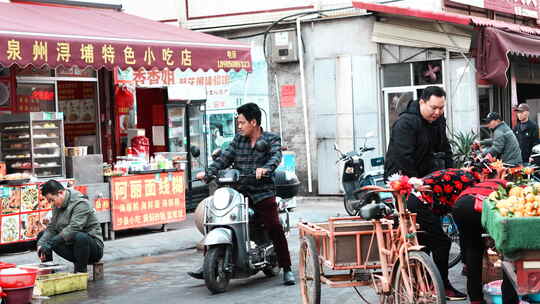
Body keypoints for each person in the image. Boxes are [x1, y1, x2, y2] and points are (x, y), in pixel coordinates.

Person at [187, 103, 295, 286]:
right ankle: (209, 262)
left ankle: (287, 268)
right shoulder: (238, 140)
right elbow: (224, 158)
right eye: (239, 122)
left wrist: (266, 169)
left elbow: (276, 157)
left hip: (262, 192)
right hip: (239, 190)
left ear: (253, 122)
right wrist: (208, 172)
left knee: (274, 226)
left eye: (242, 122)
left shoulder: (271, 139)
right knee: (215, 217)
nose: (239, 126)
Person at [406, 168, 479, 301]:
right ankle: (441, 286)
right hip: (420, 202)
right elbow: (462, 213)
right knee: (442, 243)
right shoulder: (470, 183)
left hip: (416, 199)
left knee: (426, 244)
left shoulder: (465, 176)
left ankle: (427, 285)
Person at [452, 177, 512, 304]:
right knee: (506, 250)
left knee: (472, 250)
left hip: (460, 205)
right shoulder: (509, 187)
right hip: (478, 207)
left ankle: (476, 299)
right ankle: (508, 298)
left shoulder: (481, 184)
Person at [384, 86, 453, 180]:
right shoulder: (405, 123)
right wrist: (416, 183)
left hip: (427, 174)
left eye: (441, 108)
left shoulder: (438, 119)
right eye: (434, 108)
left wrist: (452, 174)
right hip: (402, 179)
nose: (437, 112)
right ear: (422, 102)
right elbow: (403, 158)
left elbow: (445, 148)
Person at [37, 180, 104, 273]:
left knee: (80, 237)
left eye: (52, 200)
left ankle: (80, 273)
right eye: (49, 201)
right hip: (72, 246)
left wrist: (50, 244)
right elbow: (52, 227)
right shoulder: (57, 204)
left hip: (92, 249)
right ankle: (48, 273)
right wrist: (41, 244)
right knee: (43, 236)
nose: (52, 204)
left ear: (60, 193)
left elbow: (73, 228)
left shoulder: (80, 203)